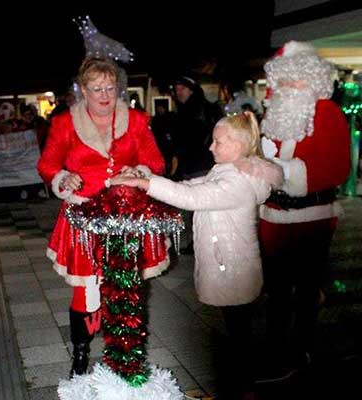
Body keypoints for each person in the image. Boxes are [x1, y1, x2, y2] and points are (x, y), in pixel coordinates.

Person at [111, 112, 283, 400]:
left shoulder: (237, 182)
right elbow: (193, 186)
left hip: (233, 267)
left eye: (218, 142)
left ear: (238, 145)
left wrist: (146, 185)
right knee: (236, 328)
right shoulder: (226, 172)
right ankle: (240, 385)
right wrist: (146, 176)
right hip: (228, 263)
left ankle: (243, 388)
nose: (211, 147)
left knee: (238, 331)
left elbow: (193, 198)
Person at [37, 56, 168, 379]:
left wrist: (139, 170)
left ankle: (124, 353)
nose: (105, 95)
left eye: (110, 87)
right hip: (83, 216)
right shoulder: (65, 122)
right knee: (84, 290)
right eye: (97, 89)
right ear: (83, 89)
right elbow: (48, 163)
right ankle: (80, 354)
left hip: (125, 214)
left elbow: (156, 161)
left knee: (125, 286)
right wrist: (62, 177)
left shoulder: (136, 120)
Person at [258, 40, 351, 381]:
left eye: (295, 81)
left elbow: (337, 167)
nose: (287, 88)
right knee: (278, 291)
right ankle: (275, 348)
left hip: (311, 217)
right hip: (273, 217)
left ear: (312, 81)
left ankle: (299, 351)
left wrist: (282, 173)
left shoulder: (328, 113)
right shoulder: (275, 115)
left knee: (306, 289)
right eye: (283, 81)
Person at [172, 76, 223, 254]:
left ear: (191, 89)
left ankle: (201, 242)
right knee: (196, 204)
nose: (178, 93)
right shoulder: (185, 109)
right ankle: (198, 241)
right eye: (177, 89)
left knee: (199, 205)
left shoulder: (199, 108)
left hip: (200, 163)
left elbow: (203, 136)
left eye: (182, 89)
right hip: (193, 163)